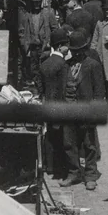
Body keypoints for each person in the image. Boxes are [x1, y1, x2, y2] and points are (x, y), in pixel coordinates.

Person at [61, 29, 105, 191]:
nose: (76, 54)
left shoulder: (93, 65)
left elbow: (100, 92)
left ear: (85, 50)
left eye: (79, 51)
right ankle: (74, 172)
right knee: (69, 143)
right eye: (73, 51)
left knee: (89, 144)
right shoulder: (66, 66)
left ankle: (90, 174)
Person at [39, 27, 71, 179]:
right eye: (66, 44)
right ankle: (60, 167)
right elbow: (64, 88)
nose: (68, 47)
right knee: (61, 137)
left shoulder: (45, 62)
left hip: (47, 103)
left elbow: (40, 86)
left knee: (49, 135)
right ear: (60, 46)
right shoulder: (63, 65)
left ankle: (49, 166)